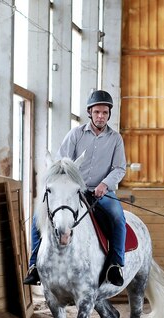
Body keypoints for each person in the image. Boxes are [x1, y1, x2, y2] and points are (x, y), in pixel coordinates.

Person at [23, 89, 127, 287]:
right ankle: (34, 265)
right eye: (97, 112)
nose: (101, 116)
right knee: (39, 218)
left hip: (101, 191)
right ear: (90, 112)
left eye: (105, 113)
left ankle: (115, 264)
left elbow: (120, 168)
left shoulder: (115, 139)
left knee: (118, 218)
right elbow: (61, 164)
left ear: (109, 114)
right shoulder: (75, 134)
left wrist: (105, 184)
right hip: (74, 190)